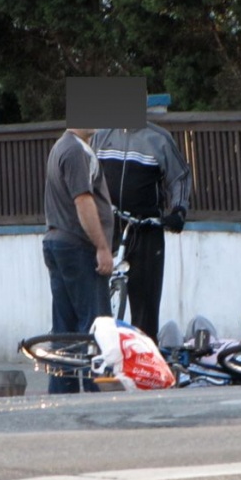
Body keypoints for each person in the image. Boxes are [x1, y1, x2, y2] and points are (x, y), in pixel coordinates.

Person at [92, 122, 191, 342]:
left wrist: (179, 210)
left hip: (146, 229)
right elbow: (88, 177)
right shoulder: (101, 136)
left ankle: (144, 360)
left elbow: (180, 178)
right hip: (110, 227)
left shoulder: (159, 138)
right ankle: (99, 348)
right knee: (97, 296)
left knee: (145, 307)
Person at [42, 128, 114, 394]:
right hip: (77, 246)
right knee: (95, 326)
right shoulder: (75, 151)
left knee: (65, 328)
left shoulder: (62, 146)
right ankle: (96, 394)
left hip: (58, 243)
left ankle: (62, 394)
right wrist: (102, 247)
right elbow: (83, 201)